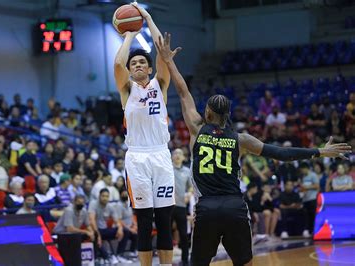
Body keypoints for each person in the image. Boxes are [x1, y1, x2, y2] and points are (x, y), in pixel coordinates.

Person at [154, 32, 352, 266]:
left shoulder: (197, 128)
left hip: (207, 206)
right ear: (227, 115)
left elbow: (183, 91)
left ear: (207, 113)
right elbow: (280, 153)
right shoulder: (241, 139)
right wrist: (318, 151)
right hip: (234, 205)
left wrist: (168, 60)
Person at [113, 2, 174, 264]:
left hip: (161, 155)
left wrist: (147, 18)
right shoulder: (127, 91)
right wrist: (129, 36)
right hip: (137, 158)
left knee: (164, 219)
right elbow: (118, 64)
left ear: (149, 68)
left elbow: (162, 51)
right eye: (134, 63)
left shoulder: (160, 84)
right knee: (145, 221)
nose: (137, 64)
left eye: (141, 62)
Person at [171, 148, 192, 265]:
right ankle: (166, 260)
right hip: (167, 206)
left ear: (184, 157)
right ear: (172, 157)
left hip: (181, 206)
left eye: (180, 153)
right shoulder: (167, 169)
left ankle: (185, 259)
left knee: (183, 234)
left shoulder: (187, 171)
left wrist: (189, 193)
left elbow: (191, 186)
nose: (178, 155)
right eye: (175, 153)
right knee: (166, 233)